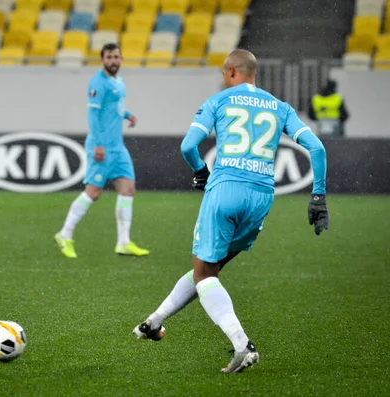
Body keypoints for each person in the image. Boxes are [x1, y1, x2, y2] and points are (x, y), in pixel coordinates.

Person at [132, 49, 329, 374]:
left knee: (205, 273)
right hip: (261, 197)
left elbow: (188, 146)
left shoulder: (220, 101)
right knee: (209, 268)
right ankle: (154, 322)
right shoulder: (279, 106)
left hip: (225, 190)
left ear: (231, 71)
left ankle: (242, 345)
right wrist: (318, 197)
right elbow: (317, 148)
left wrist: (201, 172)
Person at [53, 43, 149, 259]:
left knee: (128, 190)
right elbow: (93, 115)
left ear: (121, 59)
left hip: (118, 146)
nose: (113, 61)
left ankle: (123, 242)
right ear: (102, 60)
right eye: (109, 57)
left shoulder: (118, 81)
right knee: (93, 192)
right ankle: (64, 234)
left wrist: (128, 115)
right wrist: (97, 144)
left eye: (116, 57)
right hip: (102, 146)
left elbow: (115, 107)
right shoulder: (98, 82)